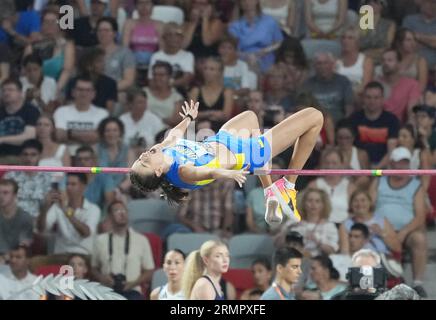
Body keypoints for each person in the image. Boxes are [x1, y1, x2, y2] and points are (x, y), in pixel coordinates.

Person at [129, 100, 324, 227]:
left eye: (140, 159)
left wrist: (188, 118)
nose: (144, 156)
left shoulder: (162, 152)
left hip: (223, 139)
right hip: (244, 153)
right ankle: (288, 185)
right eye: (144, 163)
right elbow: (207, 172)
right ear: (157, 172)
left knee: (250, 117)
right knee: (315, 116)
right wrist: (227, 174)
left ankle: (270, 191)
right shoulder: (181, 172)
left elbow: (174, 136)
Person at [370, 147, 428, 297]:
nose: (401, 167)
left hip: (405, 231)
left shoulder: (416, 185)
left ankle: (417, 283)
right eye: (398, 163)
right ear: (391, 164)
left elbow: (420, 216)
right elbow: (369, 205)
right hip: (380, 229)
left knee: (419, 239)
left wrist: (404, 232)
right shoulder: (379, 181)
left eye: (405, 163)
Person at [92, 200, 155, 300]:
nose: (122, 213)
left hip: (132, 290)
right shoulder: (100, 240)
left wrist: (133, 283)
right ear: (109, 217)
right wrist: (102, 278)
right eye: (117, 210)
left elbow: (149, 270)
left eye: (124, 210)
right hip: (107, 290)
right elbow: (93, 268)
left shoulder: (141, 240)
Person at [37, 173, 101, 255]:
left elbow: (86, 233)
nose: (68, 187)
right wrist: (45, 208)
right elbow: (41, 229)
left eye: (73, 184)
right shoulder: (57, 207)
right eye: (67, 184)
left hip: (83, 256)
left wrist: (66, 210)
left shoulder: (93, 209)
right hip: (60, 256)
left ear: (84, 187)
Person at [348, 81, 399, 168]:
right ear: (363, 98)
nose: (372, 101)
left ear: (383, 99)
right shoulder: (354, 119)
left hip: (383, 168)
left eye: (376, 98)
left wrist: (375, 171)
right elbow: (349, 148)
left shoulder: (392, 120)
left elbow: (391, 151)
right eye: (368, 97)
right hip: (358, 167)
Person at [23, 9, 75, 95]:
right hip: (34, 89)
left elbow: (67, 70)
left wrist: (54, 91)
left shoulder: (67, 45)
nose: (50, 25)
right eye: (46, 22)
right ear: (41, 25)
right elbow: (25, 73)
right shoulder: (31, 47)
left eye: (53, 21)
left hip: (58, 90)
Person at [275, 188, 340, 256]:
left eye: (317, 201)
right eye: (310, 200)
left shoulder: (329, 226)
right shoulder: (293, 222)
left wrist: (317, 241)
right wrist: (286, 231)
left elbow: (332, 251)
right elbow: (277, 245)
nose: (313, 204)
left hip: (317, 262)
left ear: (323, 205)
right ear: (303, 203)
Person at [54, 76, 109, 155]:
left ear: (93, 94)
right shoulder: (61, 111)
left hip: (93, 158)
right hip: (66, 156)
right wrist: (88, 137)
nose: (83, 93)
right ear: (73, 92)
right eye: (80, 90)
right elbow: (59, 136)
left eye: (88, 90)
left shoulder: (102, 114)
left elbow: (97, 137)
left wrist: (69, 133)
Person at [228, 0, 284, 73]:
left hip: (266, 57)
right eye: (243, 1)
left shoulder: (269, 21)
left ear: (257, 1)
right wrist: (246, 56)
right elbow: (232, 49)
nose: (247, 2)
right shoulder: (235, 25)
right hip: (243, 59)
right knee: (250, 64)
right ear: (240, 3)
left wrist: (266, 50)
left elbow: (279, 42)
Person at [342, 189, 402, 256]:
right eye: (355, 201)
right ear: (351, 204)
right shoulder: (346, 224)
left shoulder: (382, 221)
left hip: (382, 259)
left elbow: (397, 248)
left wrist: (381, 233)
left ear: (370, 203)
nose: (359, 204)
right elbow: (345, 251)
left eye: (363, 200)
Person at [307, 148, 357, 225]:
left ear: (341, 164)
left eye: (334, 163)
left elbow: (356, 212)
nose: (330, 166)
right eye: (327, 163)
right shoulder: (314, 185)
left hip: (344, 227)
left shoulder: (350, 187)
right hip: (319, 226)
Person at [4, 139, 52, 219]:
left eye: (33, 155)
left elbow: (48, 203)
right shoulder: (10, 176)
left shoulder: (46, 177)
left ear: (40, 156)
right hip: (14, 219)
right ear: (20, 156)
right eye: (25, 154)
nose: (28, 158)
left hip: (39, 220)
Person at [302, 52, 354, 122]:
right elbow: (303, 108)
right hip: (316, 123)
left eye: (325, 63)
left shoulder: (343, 81)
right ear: (314, 66)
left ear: (332, 65)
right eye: (319, 63)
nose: (322, 67)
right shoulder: (307, 84)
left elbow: (349, 106)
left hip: (339, 123)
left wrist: (346, 123)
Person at [0, 78, 40, 165]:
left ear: (20, 93)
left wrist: (2, 139)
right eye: (3, 90)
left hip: (22, 158)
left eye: (10, 90)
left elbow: (29, 137)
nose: (6, 93)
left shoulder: (31, 110)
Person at [188, 57, 234, 133]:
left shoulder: (227, 92)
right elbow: (190, 115)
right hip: (197, 127)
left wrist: (201, 114)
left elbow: (225, 115)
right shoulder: (195, 91)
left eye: (212, 69)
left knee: (205, 126)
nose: (207, 72)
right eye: (205, 68)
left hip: (220, 128)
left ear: (220, 72)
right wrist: (211, 113)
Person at [66, 47, 118, 114]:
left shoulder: (110, 83)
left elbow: (109, 111)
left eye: (103, 61)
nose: (103, 64)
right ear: (88, 64)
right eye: (99, 61)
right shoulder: (74, 82)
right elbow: (70, 105)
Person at [375, 49, 421, 123]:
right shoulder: (375, 83)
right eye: (383, 60)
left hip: (399, 128)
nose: (385, 63)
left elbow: (413, 111)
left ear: (399, 64)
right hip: (376, 126)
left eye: (390, 60)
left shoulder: (412, 84)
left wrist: (409, 128)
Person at [148, 23, 195, 92]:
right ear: (164, 38)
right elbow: (151, 79)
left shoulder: (188, 56)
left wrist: (168, 85)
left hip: (179, 91)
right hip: (158, 91)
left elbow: (187, 78)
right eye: (170, 35)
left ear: (182, 38)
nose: (174, 38)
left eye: (178, 35)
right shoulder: (156, 56)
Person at [97, 17, 136, 92]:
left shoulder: (125, 53)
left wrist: (106, 90)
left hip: (116, 92)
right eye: (100, 30)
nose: (103, 33)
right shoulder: (90, 52)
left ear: (114, 33)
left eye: (106, 30)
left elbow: (128, 81)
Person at [0, 179, 33, 263]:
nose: (1, 196)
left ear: (15, 195)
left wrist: (5, 258)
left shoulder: (25, 218)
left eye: (5, 193)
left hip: (14, 260)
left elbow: (22, 248)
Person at [122, 0, 162, 67]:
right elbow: (125, 48)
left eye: (147, 3)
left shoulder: (160, 25)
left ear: (152, 6)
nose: (144, 6)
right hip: (132, 63)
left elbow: (162, 51)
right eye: (140, 3)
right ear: (136, 6)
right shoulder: (129, 24)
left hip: (154, 63)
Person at [144, 62, 183, 127]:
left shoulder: (176, 97)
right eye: (155, 75)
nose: (157, 78)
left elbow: (176, 120)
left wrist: (155, 119)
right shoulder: (144, 93)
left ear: (169, 76)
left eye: (161, 75)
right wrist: (164, 119)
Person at [336, 27, 374, 95]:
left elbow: (366, 86)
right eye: (343, 37)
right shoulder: (335, 61)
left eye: (350, 38)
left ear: (358, 42)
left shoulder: (366, 61)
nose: (345, 41)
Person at [96, 117, 132, 187]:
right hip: (100, 188)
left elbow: (132, 176)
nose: (111, 134)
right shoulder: (95, 149)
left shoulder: (128, 150)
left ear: (120, 132)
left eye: (115, 130)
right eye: (107, 130)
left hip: (122, 191)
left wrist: (120, 189)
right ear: (102, 133)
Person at [397, 123, 432, 193]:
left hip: (417, 191)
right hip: (398, 189)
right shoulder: (395, 153)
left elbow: (426, 179)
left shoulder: (421, 154)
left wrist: (420, 194)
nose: (400, 139)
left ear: (413, 140)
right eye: (399, 136)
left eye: (404, 136)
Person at [335, 121, 370, 188]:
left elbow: (367, 178)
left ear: (353, 138)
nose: (343, 141)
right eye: (340, 138)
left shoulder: (361, 154)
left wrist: (349, 170)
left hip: (354, 190)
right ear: (336, 138)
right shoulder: (329, 153)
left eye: (347, 138)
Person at [402, 0, 436, 69]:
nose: (432, 6)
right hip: (413, 66)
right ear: (421, 4)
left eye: (434, 3)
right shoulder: (409, 20)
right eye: (428, 2)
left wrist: (417, 36)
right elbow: (405, 43)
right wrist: (431, 40)